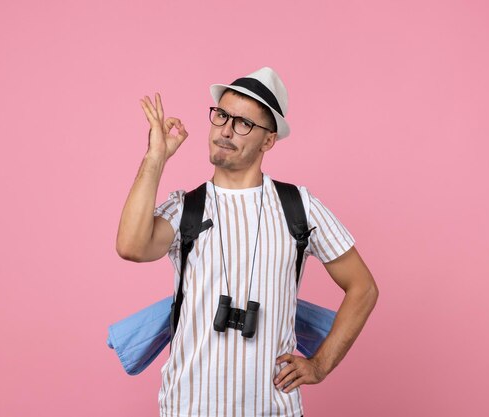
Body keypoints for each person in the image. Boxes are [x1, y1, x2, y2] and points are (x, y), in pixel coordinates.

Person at [115, 67, 379, 417]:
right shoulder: (185, 207)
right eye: (221, 115)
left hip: (273, 408)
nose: (225, 130)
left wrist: (320, 364)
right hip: (188, 407)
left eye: (243, 123)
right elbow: (131, 247)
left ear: (268, 140)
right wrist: (156, 156)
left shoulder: (299, 207)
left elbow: (363, 288)